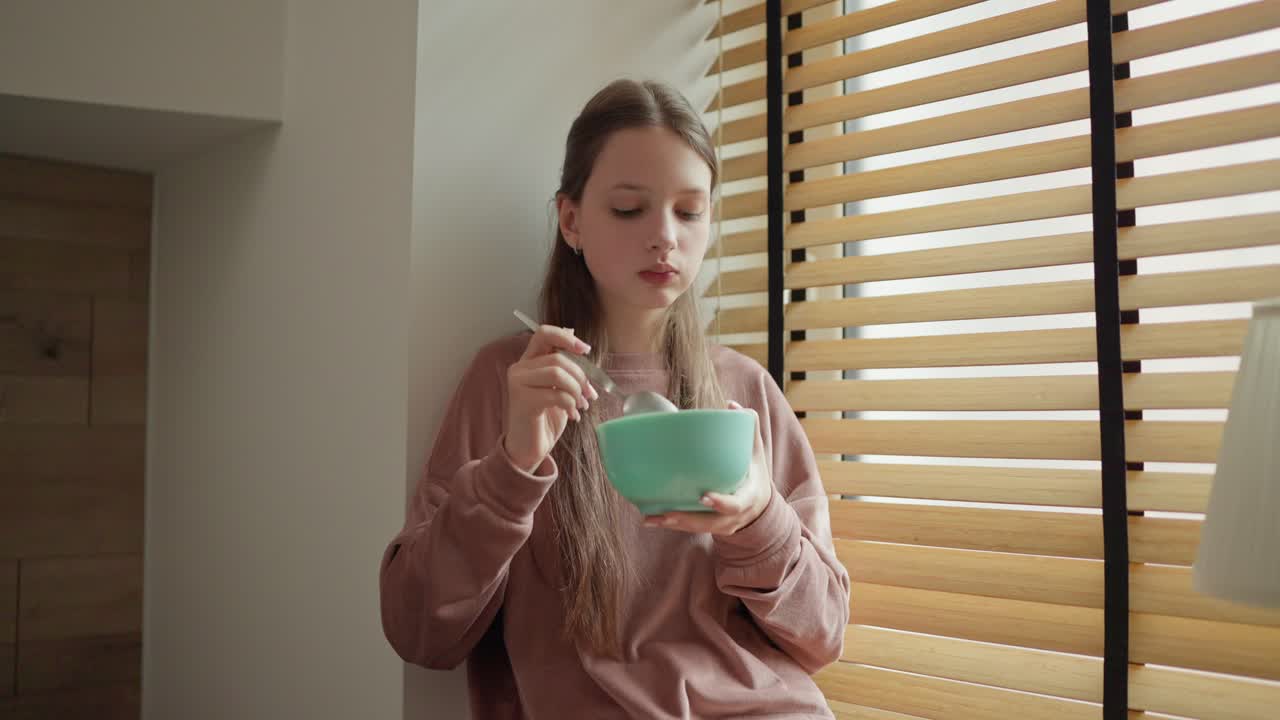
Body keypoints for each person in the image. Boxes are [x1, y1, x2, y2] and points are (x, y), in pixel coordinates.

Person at [380, 78, 850, 719]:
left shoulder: (744, 393)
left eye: (690, 212)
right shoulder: (512, 382)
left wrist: (758, 518)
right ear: (570, 219)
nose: (665, 237)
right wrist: (512, 469)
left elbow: (824, 636)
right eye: (630, 209)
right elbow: (421, 634)